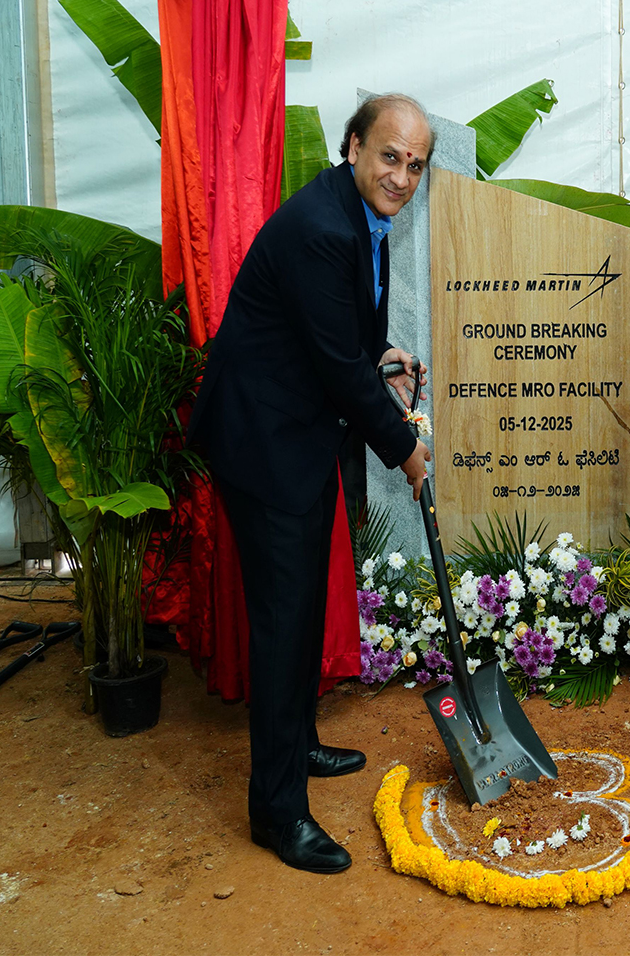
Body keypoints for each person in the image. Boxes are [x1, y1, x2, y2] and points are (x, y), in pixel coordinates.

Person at [189, 93, 434, 872]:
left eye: (416, 165)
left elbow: (339, 337)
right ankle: (277, 810)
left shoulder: (362, 218)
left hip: (295, 426)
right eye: (390, 156)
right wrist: (405, 447)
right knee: (283, 620)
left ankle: (299, 742)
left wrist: (381, 359)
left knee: (296, 609)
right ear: (354, 145)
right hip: (262, 439)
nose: (401, 176)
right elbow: (334, 365)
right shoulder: (324, 228)